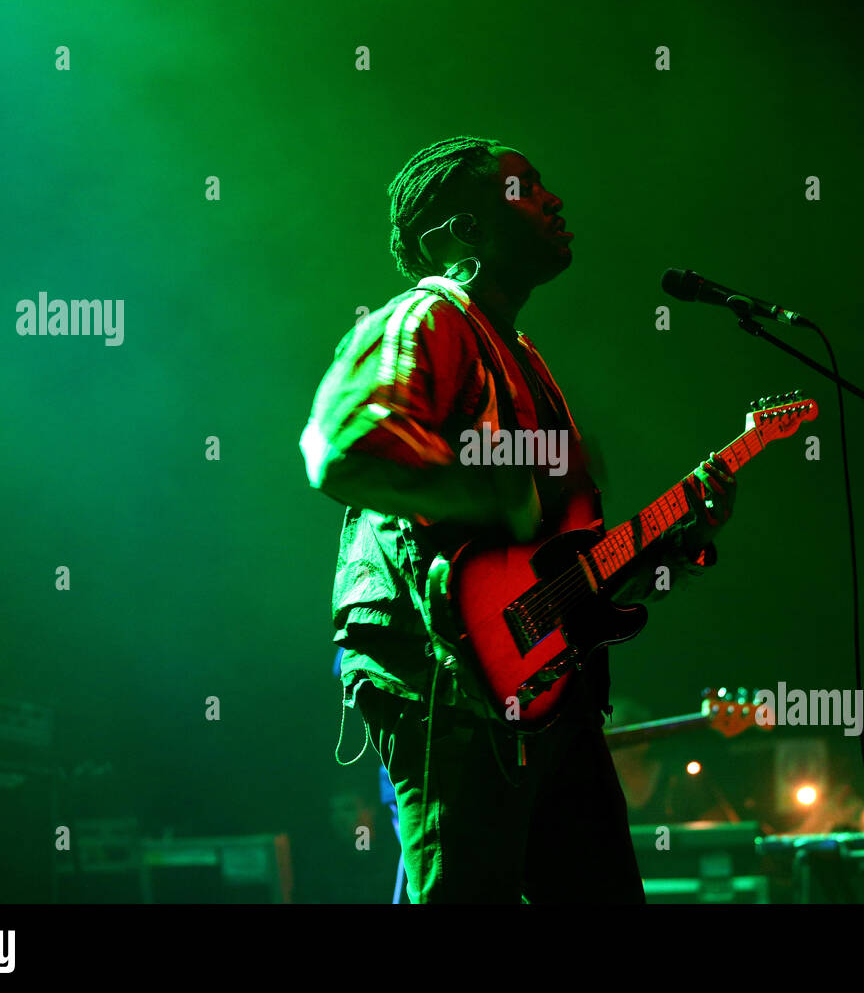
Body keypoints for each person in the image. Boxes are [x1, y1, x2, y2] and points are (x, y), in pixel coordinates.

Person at [300, 135, 736, 903]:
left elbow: (576, 575)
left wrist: (682, 542)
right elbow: (340, 450)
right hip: (450, 672)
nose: (553, 199)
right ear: (459, 235)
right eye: (524, 188)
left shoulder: (523, 356)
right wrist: (490, 499)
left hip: (550, 685)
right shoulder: (426, 318)